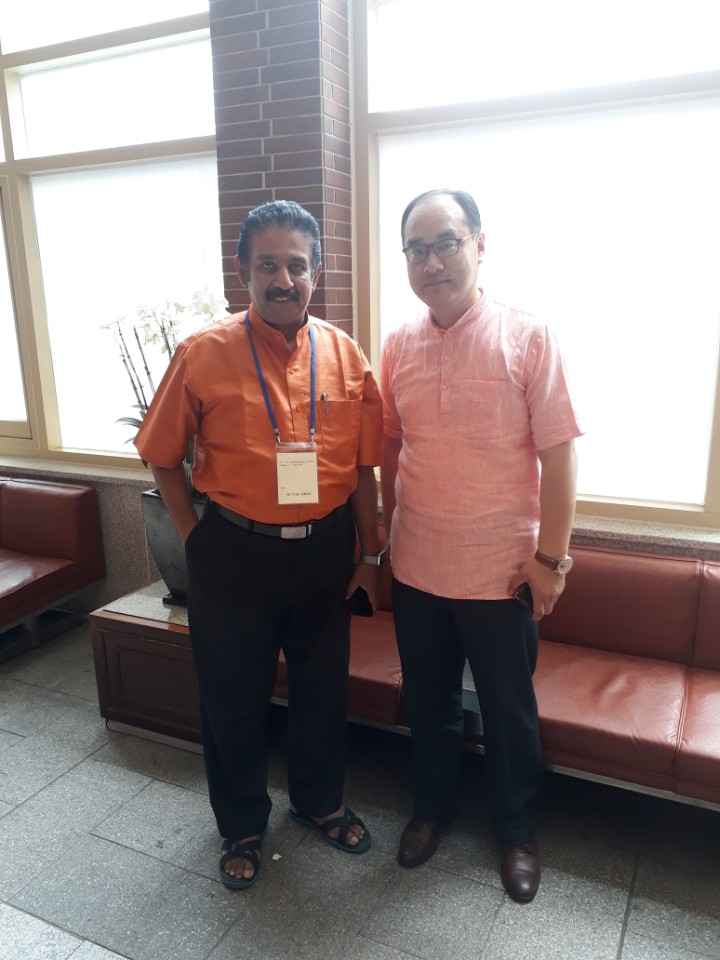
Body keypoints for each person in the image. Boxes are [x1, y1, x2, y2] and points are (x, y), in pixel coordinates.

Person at [135, 200, 384, 890]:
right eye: (267, 265)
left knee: (321, 688)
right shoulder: (202, 354)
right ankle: (242, 823)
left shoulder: (346, 355)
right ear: (242, 272)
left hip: (326, 550)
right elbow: (161, 455)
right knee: (232, 696)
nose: (283, 279)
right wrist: (195, 539)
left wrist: (369, 557)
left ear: (316, 273)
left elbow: (363, 469)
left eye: (296, 265)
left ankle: (319, 801)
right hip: (234, 551)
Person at [380, 188, 582, 903]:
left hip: (502, 574)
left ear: (479, 244)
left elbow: (559, 454)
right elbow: (391, 445)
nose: (432, 262)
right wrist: (385, 535)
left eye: (446, 243)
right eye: (417, 249)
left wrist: (551, 560)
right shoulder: (397, 344)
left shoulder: (528, 337)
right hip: (417, 567)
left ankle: (516, 832)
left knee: (507, 711)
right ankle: (430, 811)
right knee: (429, 702)